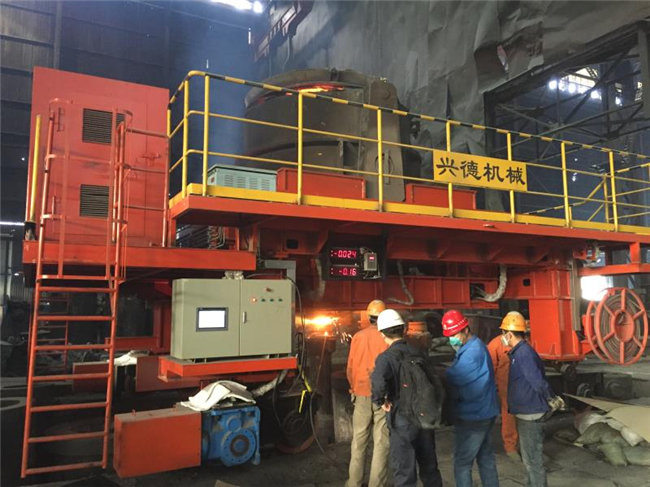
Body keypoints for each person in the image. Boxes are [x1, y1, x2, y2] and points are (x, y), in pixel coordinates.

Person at [371, 309, 443, 487]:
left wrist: (381, 402)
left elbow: (378, 384)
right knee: (430, 468)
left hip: (402, 419)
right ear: (403, 329)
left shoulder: (385, 358)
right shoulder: (418, 352)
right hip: (424, 416)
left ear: (382, 333)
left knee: (404, 472)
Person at [443, 309, 499, 487]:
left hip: (474, 415)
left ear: (466, 329)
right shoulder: (473, 346)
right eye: (449, 336)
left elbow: (454, 377)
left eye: (454, 334)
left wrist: (435, 375)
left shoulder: (472, 352)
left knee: (462, 463)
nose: (452, 339)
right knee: (485, 458)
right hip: (484, 412)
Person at [501, 311, 557, 487]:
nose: (503, 337)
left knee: (533, 461)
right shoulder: (519, 352)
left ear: (510, 334)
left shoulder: (523, 353)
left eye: (504, 333)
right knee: (529, 460)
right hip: (527, 412)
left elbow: (537, 381)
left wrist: (551, 397)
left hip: (531, 414)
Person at [346, 300, 390, 487]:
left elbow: (350, 367)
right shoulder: (387, 338)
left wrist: (354, 387)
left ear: (368, 316)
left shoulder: (358, 337)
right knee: (381, 442)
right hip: (383, 397)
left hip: (361, 393)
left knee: (358, 441)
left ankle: (354, 483)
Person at [487, 333, 519, 460]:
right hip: (506, 388)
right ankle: (511, 447)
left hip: (523, 386)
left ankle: (526, 445)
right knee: (509, 416)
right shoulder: (495, 345)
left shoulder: (526, 342)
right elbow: (490, 368)